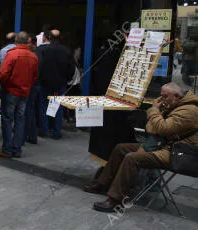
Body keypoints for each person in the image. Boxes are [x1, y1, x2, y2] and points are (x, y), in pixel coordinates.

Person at [84, 83, 198, 213]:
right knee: (121, 148)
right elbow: (151, 129)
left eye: (164, 97)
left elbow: (163, 128)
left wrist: (154, 111)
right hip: (164, 145)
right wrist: (157, 119)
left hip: (177, 152)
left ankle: (116, 199)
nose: (161, 100)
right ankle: (103, 183)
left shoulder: (189, 111)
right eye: (160, 97)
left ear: (176, 96)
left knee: (132, 158)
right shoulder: (174, 105)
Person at [0, 31, 39, 158]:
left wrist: (5, 85)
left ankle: (7, 148)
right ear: (28, 42)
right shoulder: (33, 57)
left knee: (7, 119)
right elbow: (34, 76)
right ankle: (17, 148)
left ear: (16, 41)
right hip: (24, 92)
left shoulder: (12, 54)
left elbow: (3, 74)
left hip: (11, 91)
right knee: (20, 119)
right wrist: (27, 86)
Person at [38, 30, 75, 139]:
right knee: (58, 106)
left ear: (49, 37)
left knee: (44, 105)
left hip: (45, 82)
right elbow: (71, 68)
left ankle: (44, 129)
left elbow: (40, 66)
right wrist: (67, 79)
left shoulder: (44, 50)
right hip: (60, 82)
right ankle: (56, 131)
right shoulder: (66, 51)